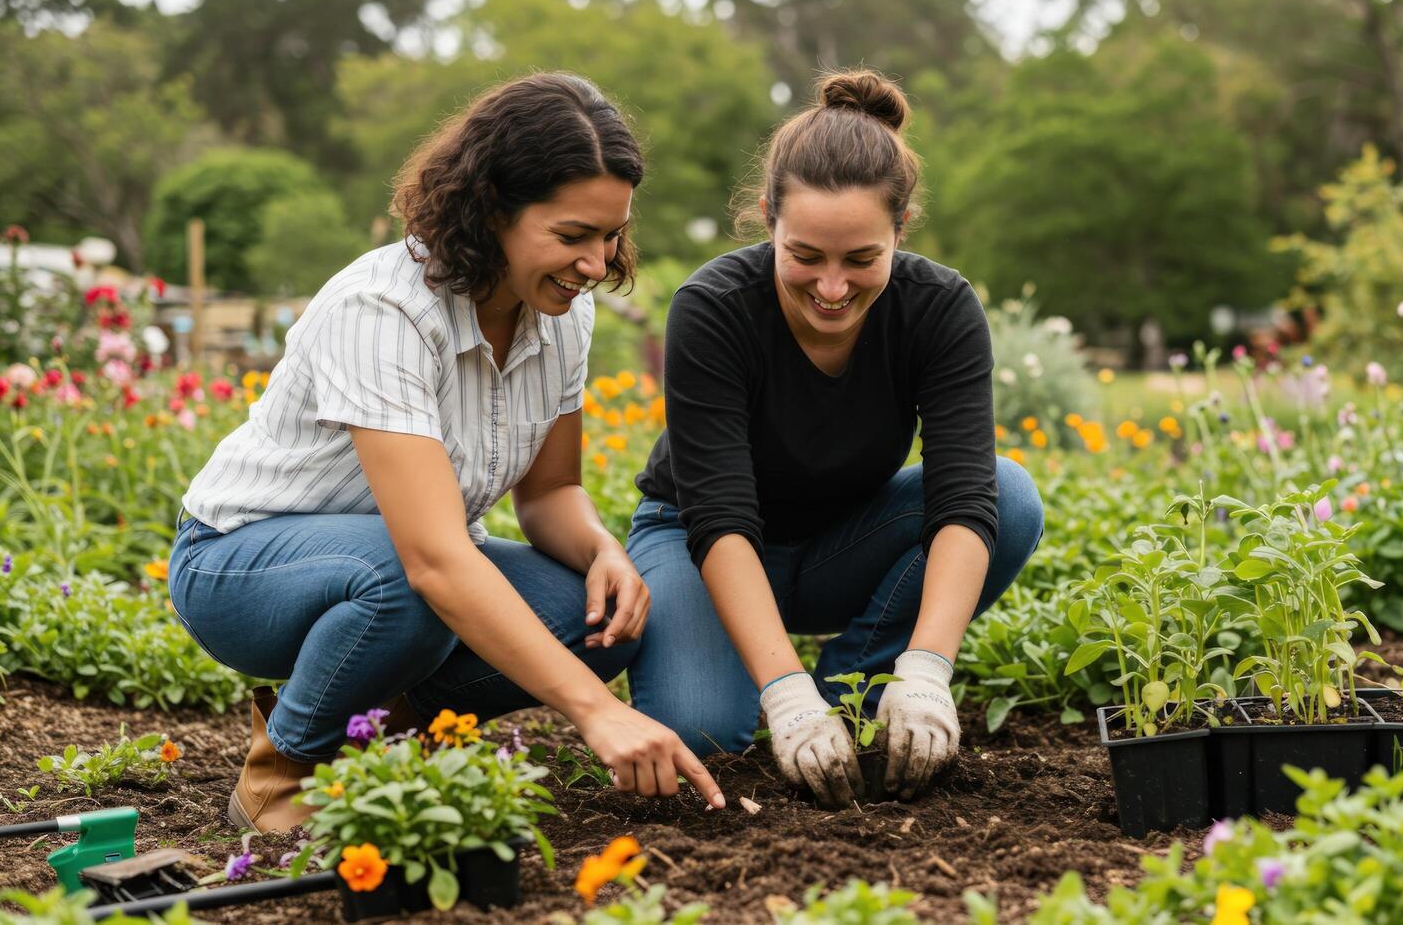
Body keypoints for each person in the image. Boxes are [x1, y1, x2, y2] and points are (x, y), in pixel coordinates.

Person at [169, 73, 723, 833]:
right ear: (491, 210)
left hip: (399, 570)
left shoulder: (562, 312)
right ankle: (289, 762)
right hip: (242, 567)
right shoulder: (385, 309)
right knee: (410, 578)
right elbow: (430, 556)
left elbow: (550, 492)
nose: (595, 264)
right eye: (571, 236)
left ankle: (378, 740)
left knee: (589, 619)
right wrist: (595, 716)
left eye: (609, 235)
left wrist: (601, 550)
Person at [626, 70, 1044, 807]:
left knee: (1007, 494)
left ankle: (852, 687)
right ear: (767, 219)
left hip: (838, 544)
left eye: (861, 259)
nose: (830, 287)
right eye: (805, 255)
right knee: (701, 732)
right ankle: (786, 692)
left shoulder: (938, 309)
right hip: (700, 540)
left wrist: (927, 669)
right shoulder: (713, 309)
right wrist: (780, 696)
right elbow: (719, 516)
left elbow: (962, 499)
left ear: (900, 229)